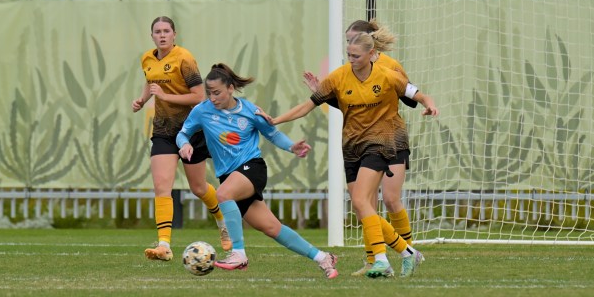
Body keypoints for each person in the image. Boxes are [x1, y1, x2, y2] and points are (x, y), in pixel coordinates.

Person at [263, 31, 437, 278]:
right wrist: (275, 120)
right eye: (349, 55)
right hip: (352, 147)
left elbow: (419, 95)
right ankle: (408, 252)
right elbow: (307, 106)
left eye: (356, 56)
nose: (351, 59)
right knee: (361, 205)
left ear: (371, 54)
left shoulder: (388, 75)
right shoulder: (338, 77)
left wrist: (430, 104)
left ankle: (381, 261)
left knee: (362, 201)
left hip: (382, 143)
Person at [176, 63, 339, 279]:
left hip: (252, 168)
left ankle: (238, 254)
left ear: (230, 88)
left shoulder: (250, 111)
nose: (213, 98)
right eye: (209, 93)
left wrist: (292, 147)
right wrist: (184, 144)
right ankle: (323, 257)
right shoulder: (202, 110)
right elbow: (182, 133)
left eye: (217, 93)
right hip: (229, 176)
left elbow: (273, 134)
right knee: (272, 228)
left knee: (222, 194)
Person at [302, 19, 421, 276]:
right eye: (347, 42)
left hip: (389, 139)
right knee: (364, 205)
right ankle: (376, 258)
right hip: (357, 143)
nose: (350, 46)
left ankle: (406, 253)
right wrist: (324, 94)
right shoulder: (348, 70)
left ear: (369, 43)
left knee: (389, 199)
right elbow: (350, 104)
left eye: (353, 40)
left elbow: (410, 99)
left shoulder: (388, 67)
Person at [131, 16, 230, 261]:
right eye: (157, 31)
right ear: (152, 36)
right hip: (163, 130)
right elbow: (150, 81)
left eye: (166, 31)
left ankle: (222, 221)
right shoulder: (147, 58)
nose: (162, 35)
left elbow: (198, 96)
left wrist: (165, 96)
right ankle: (164, 245)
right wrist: (142, 100)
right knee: (161, 186)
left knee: (198, 188)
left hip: (191, 130)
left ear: (174, 34)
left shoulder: (184, 58)